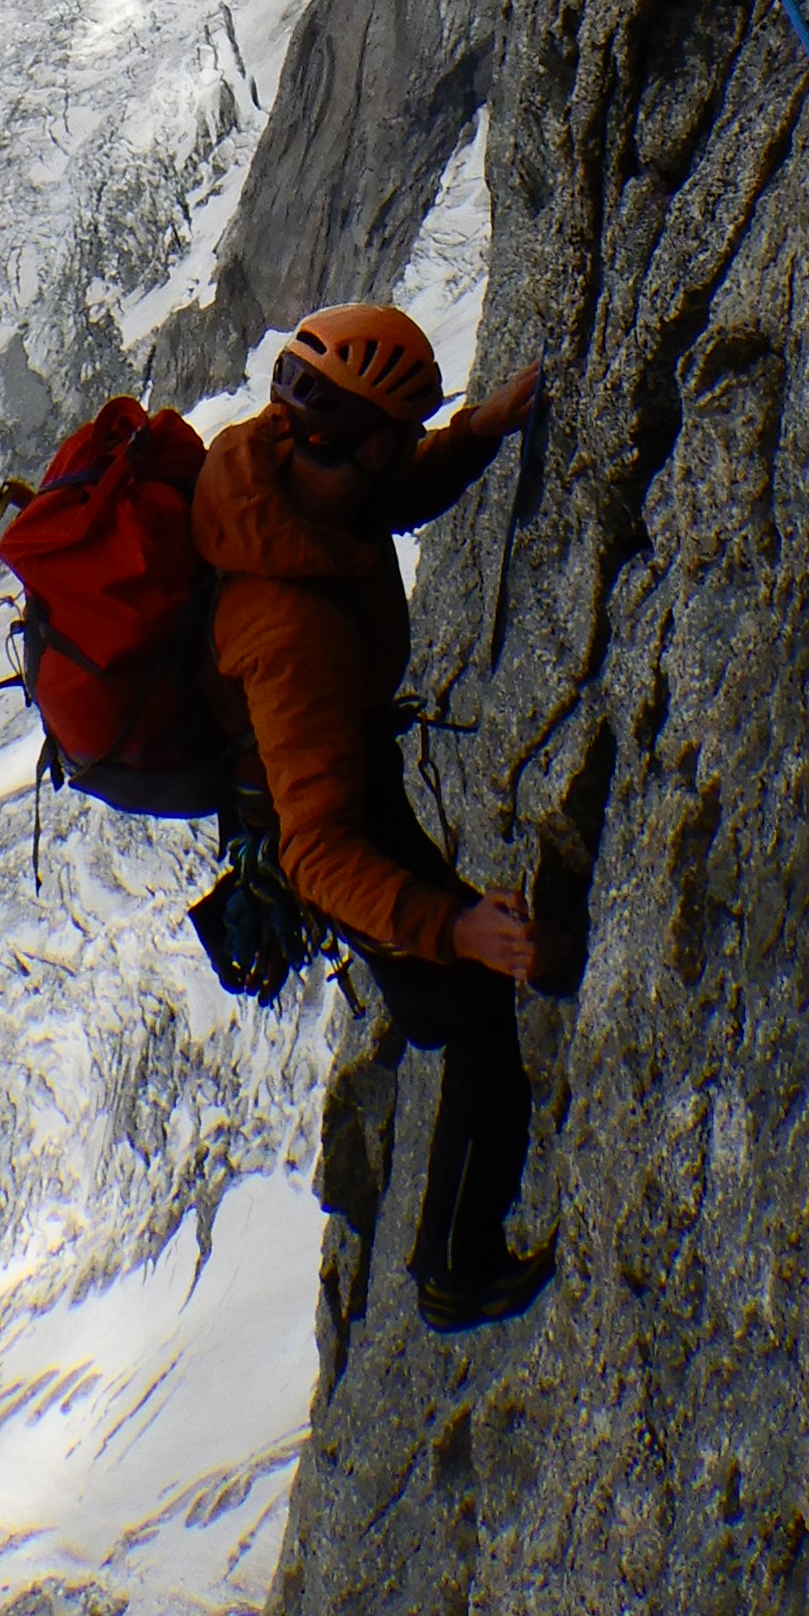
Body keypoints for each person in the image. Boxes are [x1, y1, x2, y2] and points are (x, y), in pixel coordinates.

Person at [194, 300, 548, 1331]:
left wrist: (476, 435)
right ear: (355, 444)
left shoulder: (291, 483)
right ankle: (453, 1269)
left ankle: (428, 989)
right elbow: (318, 853)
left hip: (339, 782)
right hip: (325, 818)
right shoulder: (288, 628)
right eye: (401, 435)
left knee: (443, 985)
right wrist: (454, 927)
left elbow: (383, 500)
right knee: (477, 1015)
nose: (403, 451)